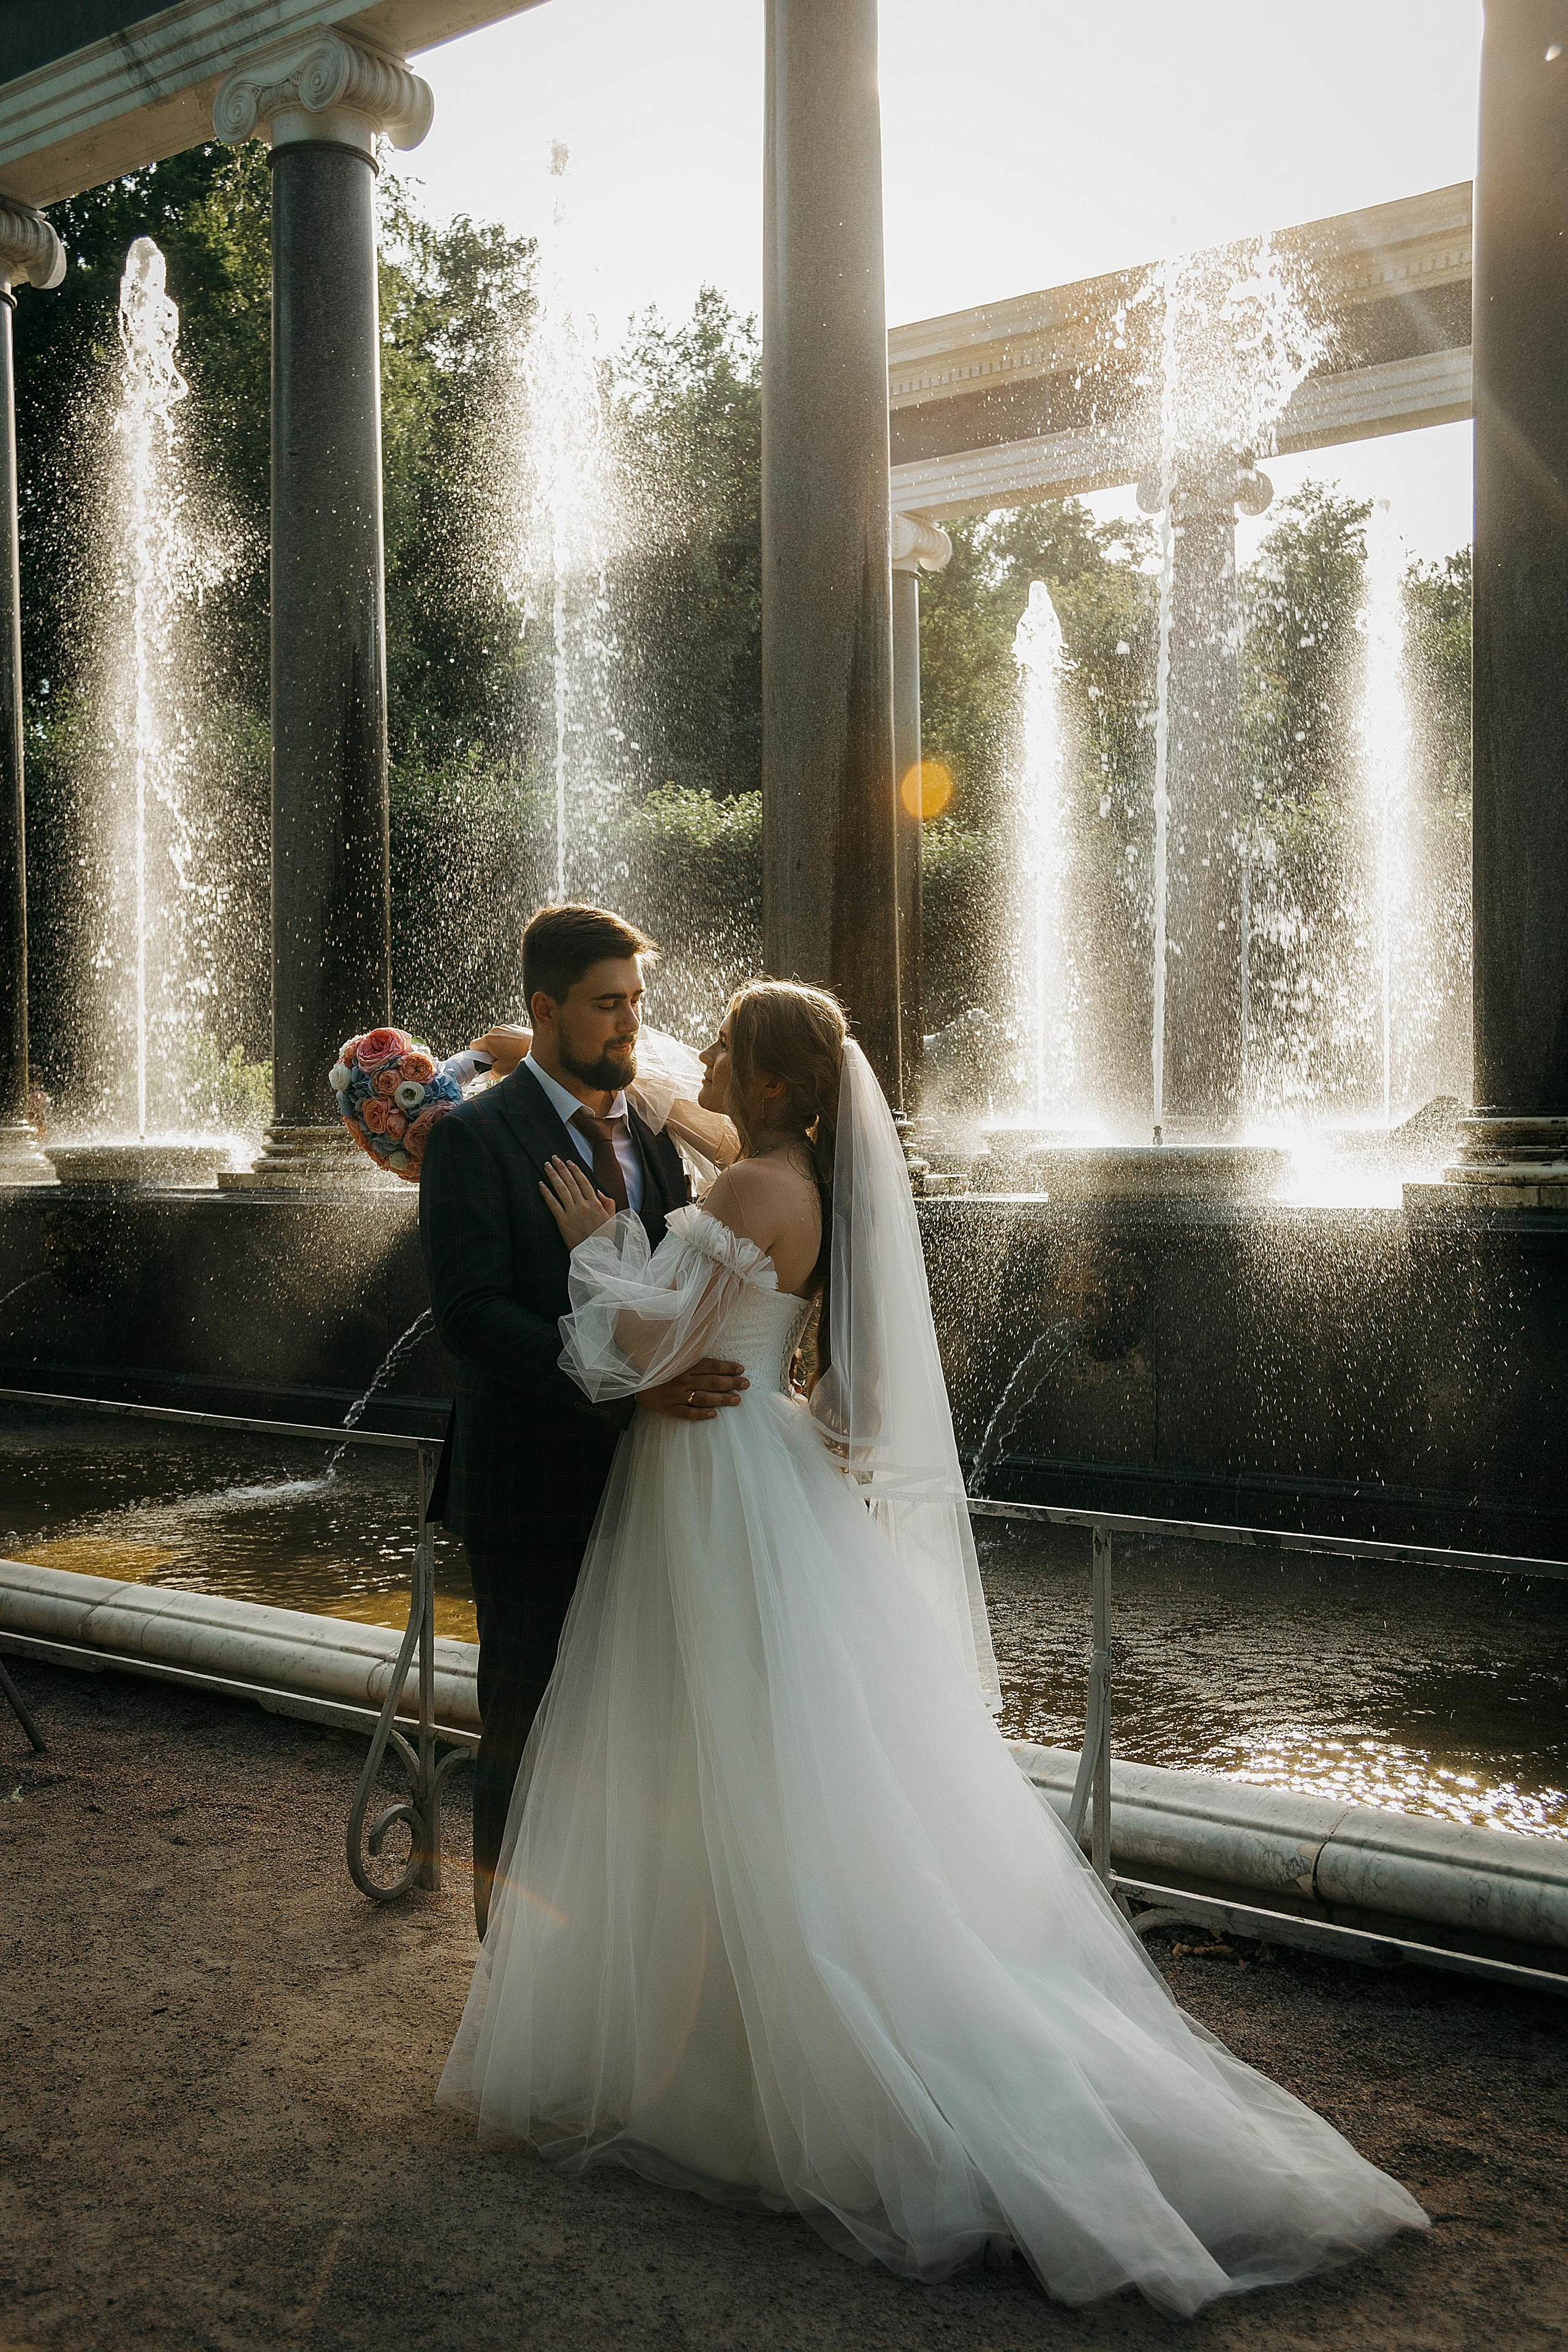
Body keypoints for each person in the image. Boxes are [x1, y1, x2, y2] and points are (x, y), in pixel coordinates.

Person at [437, 978, 1427, 2313]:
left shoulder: (749, 1192)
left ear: (775, 1085)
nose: (700, 1053)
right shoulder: (796, 1176)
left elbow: (645, 1352)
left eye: (726, 1045)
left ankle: (740, 2067)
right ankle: (714, 2041)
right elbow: (703, 1157)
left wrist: (596, 1242)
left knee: (709, 1749)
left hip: (710, 1475)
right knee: (748, 1758)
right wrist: (536, 1063)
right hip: (752, 1468)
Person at [418, 902, 746, 1936]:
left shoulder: (650, 1133)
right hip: (529, 1485)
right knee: (528, 1726)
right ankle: (505, 1970)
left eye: (636, 1001)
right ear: (545, 1009)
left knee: (636, 1733)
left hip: (653, 1480)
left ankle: (602, 1970)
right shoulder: (473, 1137)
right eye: (607, 1005)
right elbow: (473, 1318)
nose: (630, 1023)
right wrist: (622, 1386)